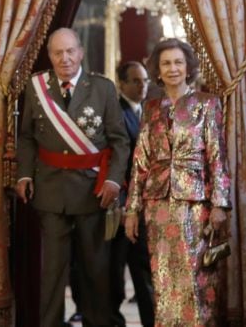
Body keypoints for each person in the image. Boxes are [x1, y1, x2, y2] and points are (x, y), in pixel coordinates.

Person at [15, 27, 129, 327]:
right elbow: (26, 137)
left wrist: (113, 181)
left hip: (93, 192)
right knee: (52, 273)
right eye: (57, 53)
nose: (64, 58)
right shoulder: (36, 87)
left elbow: (119, 141)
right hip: (51, 192)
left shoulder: (102, 88)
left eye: (70, 51)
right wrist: (24, 175)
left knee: (95, 271)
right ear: (50, 56)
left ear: (80, 52)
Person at [125, 38, 231, 326]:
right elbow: (140, 163)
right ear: (158, 71)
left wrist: (221, 204)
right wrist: (132, 209)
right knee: (164, 278)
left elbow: (217, 156)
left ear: (188, 68)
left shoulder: (207, 104)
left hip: (197, 204)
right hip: (157, 205)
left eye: (178, 62)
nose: (173, 68)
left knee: (196, 278)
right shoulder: (151, 108)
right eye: (166, 63)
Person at [111, 61, 154, 327]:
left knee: (144, 272)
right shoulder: (115, 112)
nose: (142, 86)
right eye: (136, 81)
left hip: (144, 207)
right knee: (115, 273)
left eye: (146, 80)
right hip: (120, 206)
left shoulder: (148, 112)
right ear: (122, 84)